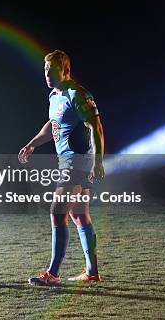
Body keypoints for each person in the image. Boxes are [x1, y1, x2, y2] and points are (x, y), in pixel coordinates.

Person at [18, 50, 105, 286]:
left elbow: (95, 127)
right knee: (79, 216)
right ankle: (92, 272)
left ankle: (52, 274)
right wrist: (32, 144)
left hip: (77, 161)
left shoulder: (76, 94)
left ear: (65, 69)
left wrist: (97, 161)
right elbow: (53, 124)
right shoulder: (54, 96)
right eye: (45, 70)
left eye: (51, 70)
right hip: (68, 161)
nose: (47, 74)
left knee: (57, 213)